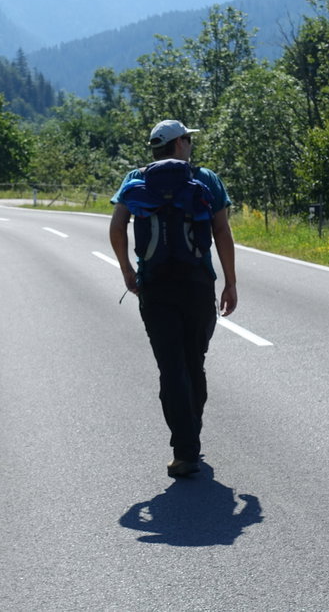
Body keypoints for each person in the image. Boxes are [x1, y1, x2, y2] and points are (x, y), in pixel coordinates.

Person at [109, 119, 237, 478]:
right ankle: (190, 434)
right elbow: (222, 232)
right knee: (194, 362)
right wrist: (230, 282)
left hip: (155, 287)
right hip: (198, 285)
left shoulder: (136, 178)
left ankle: (185, 449)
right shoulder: (206, 179)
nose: (190, 144)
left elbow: (117, 227)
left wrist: (126, 270)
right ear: (178, 144)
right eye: (187, 139)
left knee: (171, 366)